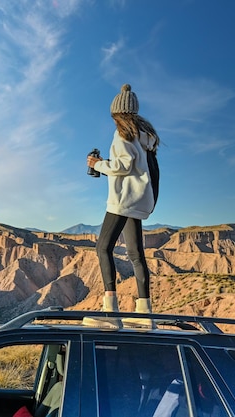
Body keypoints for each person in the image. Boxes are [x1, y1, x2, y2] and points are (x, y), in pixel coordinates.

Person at [83, 84, 160, 329]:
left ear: (117, 112)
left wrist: (97, 165)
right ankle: (144, 315)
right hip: (139, 200)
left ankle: (111, 314)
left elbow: (123, 166)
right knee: (137, 256)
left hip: (122, 201)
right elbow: (134, 167)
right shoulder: (144, 135)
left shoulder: (123, 134)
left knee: (102, 248)